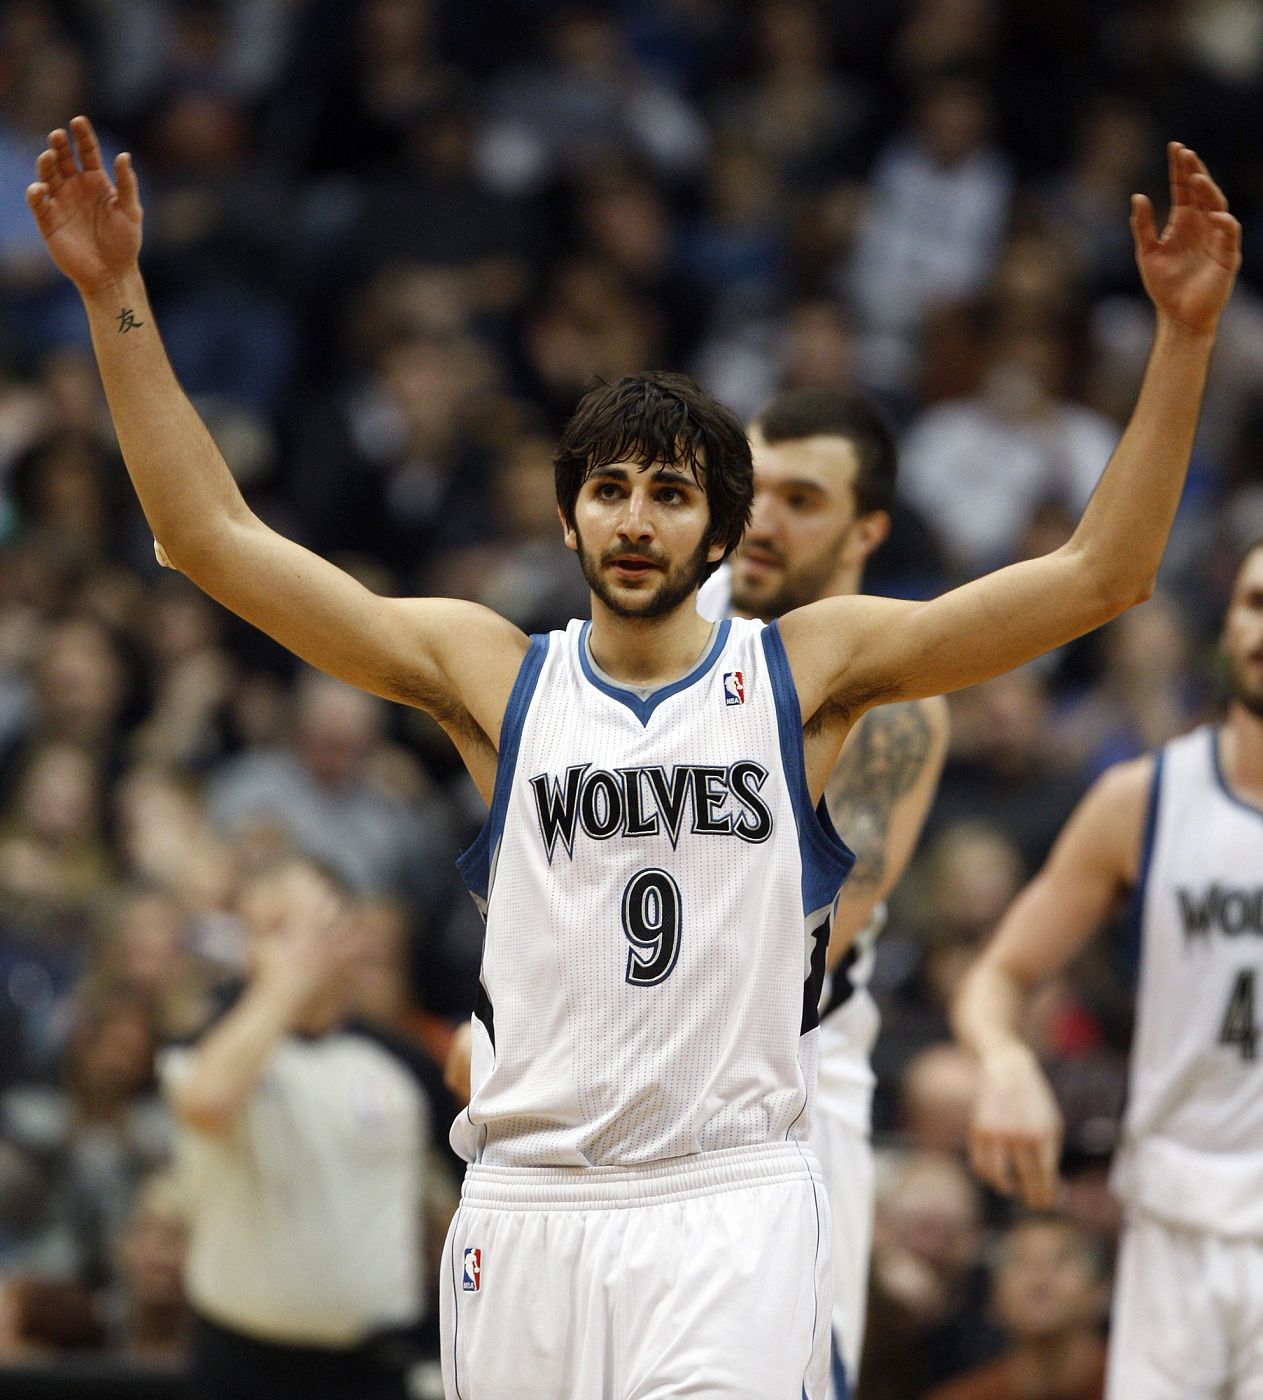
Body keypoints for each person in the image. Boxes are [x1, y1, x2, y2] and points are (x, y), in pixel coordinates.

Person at [26, 118, 1239, 1399]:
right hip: (528, 1201)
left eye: (670, 492)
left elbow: (1104, 575)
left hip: (725, 1199)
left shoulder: (803, 671)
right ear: (568, 514)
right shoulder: (493, 672)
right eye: (610, 489)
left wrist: (1184, 339)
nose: (637, 517)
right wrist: (117, 296)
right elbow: (210, 535)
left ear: (721, 527)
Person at [952, 536, 1263, 1400]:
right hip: (1174, 1220)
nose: (1260, 628)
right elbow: (995, 977)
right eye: (1250, 604)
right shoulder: (1147, 799)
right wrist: (1006, 1061)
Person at [697, 387, 950, 1398]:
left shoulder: (895, 702)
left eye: (802, 498)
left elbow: (811, 943)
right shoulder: (654, 630)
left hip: (792, 1081)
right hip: (630, 1054)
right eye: (752, 488)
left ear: (867, 529)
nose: (761, 519)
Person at [160, 857, 433, 1400]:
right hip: (243, 1364)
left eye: (297, 929)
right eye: (265, 932)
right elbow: (208, 1101)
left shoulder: (401, 1063)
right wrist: (286, 984)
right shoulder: (211, 1041)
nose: (285, 951)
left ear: (348, 936)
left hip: (373, 1365)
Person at [924, 1216, 1108, 1400]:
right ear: (992, 1298)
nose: (1040, 1279)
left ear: (1100, 1290)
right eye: (1020, 1261)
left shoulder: (1131, 1383)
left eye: (1062, 1260)